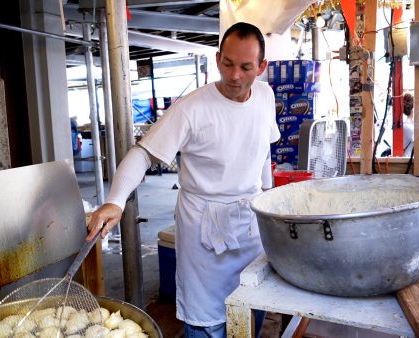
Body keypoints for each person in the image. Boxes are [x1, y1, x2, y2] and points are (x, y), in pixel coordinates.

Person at [86, 22, 280, 338]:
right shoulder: (192, 108)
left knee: (248, 311)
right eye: (228, 64)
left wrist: (269, 197)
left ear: (261, 67)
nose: (234, 75)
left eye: (245, 67)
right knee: (207, 320)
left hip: (249, 226)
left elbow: (262, 151)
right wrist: (115, 200)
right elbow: (143, 154)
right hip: (204, 228)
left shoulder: (265, 96)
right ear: (218, 59)